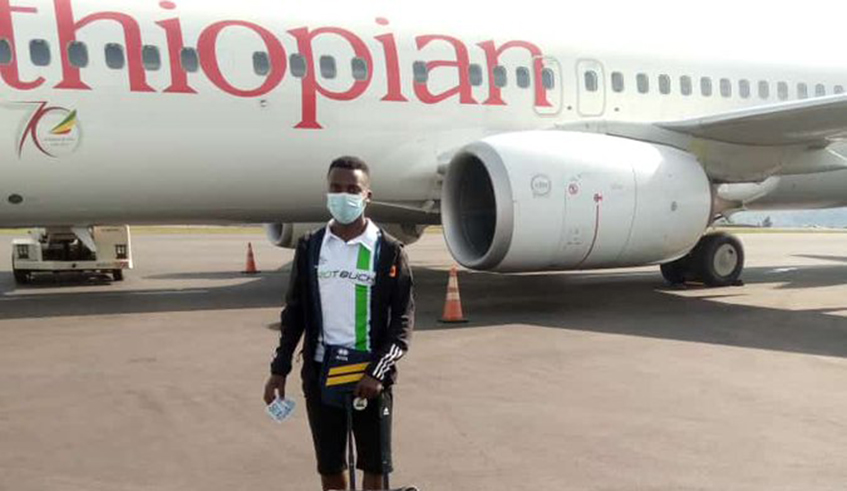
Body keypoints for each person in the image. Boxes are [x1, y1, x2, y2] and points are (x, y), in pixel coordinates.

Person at [263, 156, 415, 491]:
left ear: (367, 195)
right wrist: (279, 369)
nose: (343, 195)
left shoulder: (389, 251)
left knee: (375, 466)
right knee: (330, 466)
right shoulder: (311, 246)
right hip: (322, 375)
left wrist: (376, 373)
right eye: (336, 188)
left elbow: (402, 324)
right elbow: (294, 314)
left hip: (370, 377)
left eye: (352, 189)